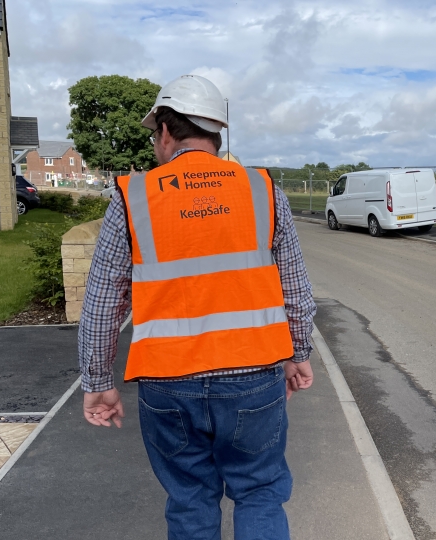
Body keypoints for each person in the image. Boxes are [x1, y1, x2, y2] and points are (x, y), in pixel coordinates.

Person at [77, 74, 317, 540]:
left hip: (168, 384)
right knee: (260, 493)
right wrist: (299, 352)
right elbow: (296, 289)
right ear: (215, 135)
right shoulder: (263, 190)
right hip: (254, 375)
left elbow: (103, 302)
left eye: (154, 135)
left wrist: (98, 382)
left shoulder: (132, 197)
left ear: (166, 131)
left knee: (190, 501)